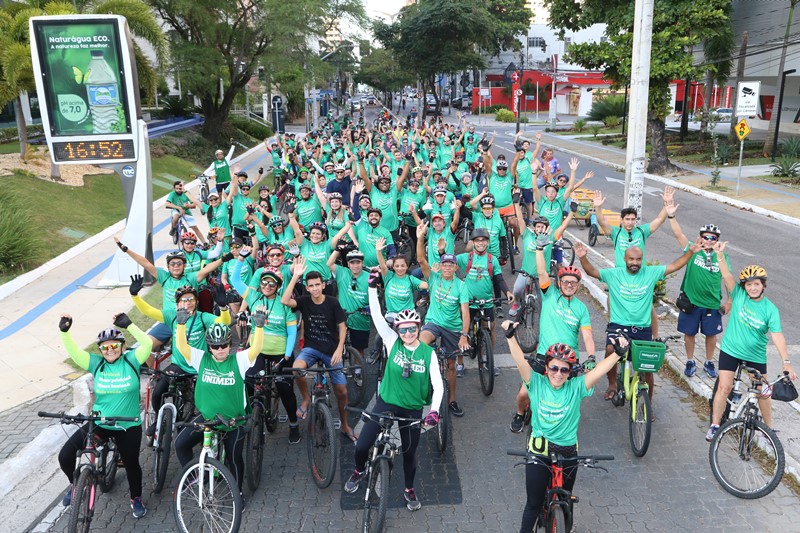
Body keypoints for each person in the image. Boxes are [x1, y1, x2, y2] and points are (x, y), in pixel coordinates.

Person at [503, 320, 629, 533]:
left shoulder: (576, 387)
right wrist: (510, 337)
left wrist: (617, 354)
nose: (558, 373)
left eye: (564, 369)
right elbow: (520, 362)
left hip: (568, 450)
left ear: (570, 372)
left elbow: (598, 371)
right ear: (546, 367)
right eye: (554, 367)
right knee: (533, 504)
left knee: (566, 499)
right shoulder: (536, 383)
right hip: (539, 449)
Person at [344, 280, 444, 511]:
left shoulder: (428, 353)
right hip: (386, 403)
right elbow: (377, 317)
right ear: (397, 330)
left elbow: (438, 385)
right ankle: (359, 471)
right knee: (361, 447)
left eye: (412, 328)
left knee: (409, 455)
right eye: (403, 329)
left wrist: (435, 412)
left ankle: (409, 489)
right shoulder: (391, 342)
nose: (408, 333)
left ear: (419, 328)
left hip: (412, 410)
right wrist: (370, 287)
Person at [575, 238, 701, 407]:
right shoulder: (614, 274)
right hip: (619, 327)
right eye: (631, 259)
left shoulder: (650, 273)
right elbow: (592, 272)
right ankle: (612, 384)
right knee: (610, 350)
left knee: (647, 368)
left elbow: (674, 266)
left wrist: (691, 252)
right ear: (625, 259)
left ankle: (647, 405)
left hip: (642, 329)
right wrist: (583, 258)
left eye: (638, 259)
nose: (635, 263)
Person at [57, 312, 152, 518]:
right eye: (105, 347)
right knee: (65, 455)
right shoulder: (96, 364)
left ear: (122, 347)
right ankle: (75, 486)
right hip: (100, 422)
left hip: (127, 425)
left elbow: (147, 344)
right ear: (100, 349)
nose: (110, 350)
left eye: (114, 345)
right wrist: (65, 332)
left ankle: (136, 498)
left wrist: (130, 325)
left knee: (131, 464)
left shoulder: (131, 360)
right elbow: (74, 352)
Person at [173, 309, 266, 495]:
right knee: (180, 444)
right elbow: (183, 347)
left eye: (224, 345)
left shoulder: (239, 360)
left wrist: (259, 327)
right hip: (208, 418)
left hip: (234, 421)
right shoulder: (202, 359)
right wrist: (181, 325)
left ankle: (237, 493)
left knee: (234, 457)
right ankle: (195, 477)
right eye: (215, 346)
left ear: (230, 344)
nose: (220, 349)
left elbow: (255, 349)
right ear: (209, 347)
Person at [706, 253, 797, 441]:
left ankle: (768, 429)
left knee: (763, 392)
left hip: (755, 355)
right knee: (724, 387)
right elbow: (727, 275)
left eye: (757, 284)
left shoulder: (770, 309)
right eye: (749, 284)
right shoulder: (738, 295)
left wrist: (786, 362)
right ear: (744, 287)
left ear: (763, 285)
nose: (753, 287)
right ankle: (715, 425)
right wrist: (720, 255)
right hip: (731, 351)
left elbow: (777, 335)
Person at [509, 236, 595, 434]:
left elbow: (588, 337)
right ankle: (520, 414)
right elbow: (541, 271)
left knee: (569, 399)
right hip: (544, 356)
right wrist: (539, 249)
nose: (569, 285)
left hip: (569, 359)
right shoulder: (549, 295)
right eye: (566, 281)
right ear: (559, 283)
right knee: (523, 394)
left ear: (578, 285)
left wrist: (591, 358)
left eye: (574, 282)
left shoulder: (581, 309)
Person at [129, 278, 231, 436]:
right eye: (183, 300)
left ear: (196, 302)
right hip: (178, 365)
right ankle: (159, 419)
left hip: (200, 366)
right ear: (177, 304)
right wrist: (134, 295)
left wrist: (223, 308)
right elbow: (149, 311)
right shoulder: (172, 316)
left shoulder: (203, 318)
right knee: (158, 393)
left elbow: (224, 322)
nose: (187, 303)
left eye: (191, 299)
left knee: (203, 402)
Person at [280, 257, 358, 441]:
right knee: (297, 369)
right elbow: (285, 300)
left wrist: (340, 349)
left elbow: (342, 326)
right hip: (311, 348)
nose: (314, 288)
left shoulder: (332, 302)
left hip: (331, 351)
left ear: (323, 285)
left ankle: (345, 425)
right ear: (307, 288)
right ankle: (306, 399)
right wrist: (295, 277)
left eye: (317, 285)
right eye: (311, 286)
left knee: (342, 392)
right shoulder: (305, 300)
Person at [230, 259, 301, 444]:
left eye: (271, 283)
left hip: (281, 354)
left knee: (285, 390)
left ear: (277, 286)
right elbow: (235, 280)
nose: (267, 286)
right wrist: (240, 260)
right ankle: (252, 417)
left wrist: (286, 356)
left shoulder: (284, 302)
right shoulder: (254, 297)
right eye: (264, 283)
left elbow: (292, 331)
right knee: (249, 380)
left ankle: (293, 424)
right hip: (258, 351)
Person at [113, 240, 224, 350]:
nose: (176, 266)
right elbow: (145, 263)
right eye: (173, 264)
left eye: (179, 263)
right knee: (145, 347)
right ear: (168, 266)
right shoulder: (164, 277)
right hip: (168, 320)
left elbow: (207, 269)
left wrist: (224, 258)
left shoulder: (191, 278)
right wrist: (126, 250)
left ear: (184, 265)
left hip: (189, 321)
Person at [666, 212, 731, 379]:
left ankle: (709, 361)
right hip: (691, 302)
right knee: (690, 333)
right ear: (700, 238)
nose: (709, 240)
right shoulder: (694, 250)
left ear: (717, 241)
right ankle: (690, 360)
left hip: (712, 304)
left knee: (711, 334)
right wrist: (672, 216)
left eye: (713, 238)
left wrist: (730, 301)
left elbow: (727, 278)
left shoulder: (722, 257)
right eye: (706, 237)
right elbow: (678, 234)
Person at [416, 222, 470, 417]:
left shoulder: (461, 286)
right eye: (444, 264)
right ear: (441, 266)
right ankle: (422, 386)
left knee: (451, 366)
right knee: (421, 344)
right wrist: (420, 237)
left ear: (455, 267)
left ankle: (452, 400)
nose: (447, 267)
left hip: (453, 328)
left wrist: (464, 335)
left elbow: (465, 312)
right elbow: (421, 259)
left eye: (451, 265)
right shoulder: (434, 277)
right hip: (434, 323)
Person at [455, 228, 513, 377]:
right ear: (473, 243)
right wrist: (442, 252)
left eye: (483, 240)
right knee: (464, 330)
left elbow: (498, 278)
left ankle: (489, 361)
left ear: (487, 242)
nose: (480, 243)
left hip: (486, 301)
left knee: (490, 328)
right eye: (477, 241)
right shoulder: (466, 258)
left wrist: (507, 291)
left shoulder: (491, 259)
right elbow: (449, 262)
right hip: (469, 301)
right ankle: (460, 363)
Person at [166, 180, 207, 245]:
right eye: (176, 188)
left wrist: (188, 205)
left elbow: (194, 205)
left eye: (180, 188)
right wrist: (179, 208)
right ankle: (173, 228)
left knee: (195, 227)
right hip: (176, 210)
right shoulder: (172, 194)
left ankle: (204, 243)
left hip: (186, 211)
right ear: (174, 188)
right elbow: (167, 204)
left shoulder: (186, 193)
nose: (178, 190)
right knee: (176, 216)